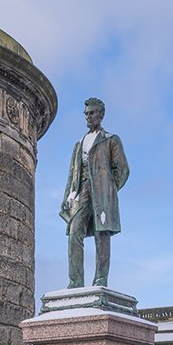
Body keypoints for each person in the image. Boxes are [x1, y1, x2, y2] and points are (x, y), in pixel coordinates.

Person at [60, 97, 129, 288]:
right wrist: (67, 196)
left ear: (101, 114)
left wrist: (108, 189)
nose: (88, 117)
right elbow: (72, 173)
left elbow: (122, 170)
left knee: (102, 236)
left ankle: (100, 280)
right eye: (86, 114)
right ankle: (75, 282)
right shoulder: (79, 143)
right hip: (81, 191)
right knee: (74, 233)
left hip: (101, 194)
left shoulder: (111, 140)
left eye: (92, 113)